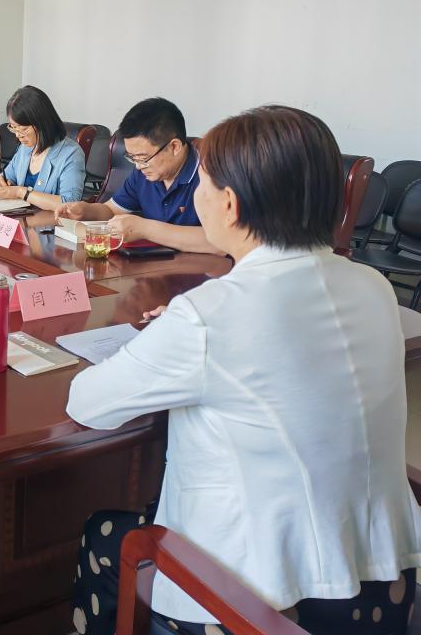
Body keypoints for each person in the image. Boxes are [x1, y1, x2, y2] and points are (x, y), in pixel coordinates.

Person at [66, 106, 421, 635]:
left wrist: (179, 332)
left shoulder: (211, 314)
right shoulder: (374, 287)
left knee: (105, 535)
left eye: (205, 184)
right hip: (383, 587)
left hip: (251, 605)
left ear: (229, 205)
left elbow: (88, 403)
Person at [55, 98, 218, 254]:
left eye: (143, 158)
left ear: (174, 147)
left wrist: (146, 229)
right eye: (132, 158)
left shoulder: (210, 174)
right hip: (151, 266)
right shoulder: (144, 173)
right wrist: (86, 210)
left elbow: (218, 243)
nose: (138, 166)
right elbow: (112, 210)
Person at [0, 85, 86, 209]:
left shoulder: (71, 154)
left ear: (43, 123)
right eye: (14, 128)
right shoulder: (25, 148)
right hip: (21, 218)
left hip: (50, 221)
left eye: (24, 129)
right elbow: (7, 178)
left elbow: (70, 204)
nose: (18, 135)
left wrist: (21, 192)